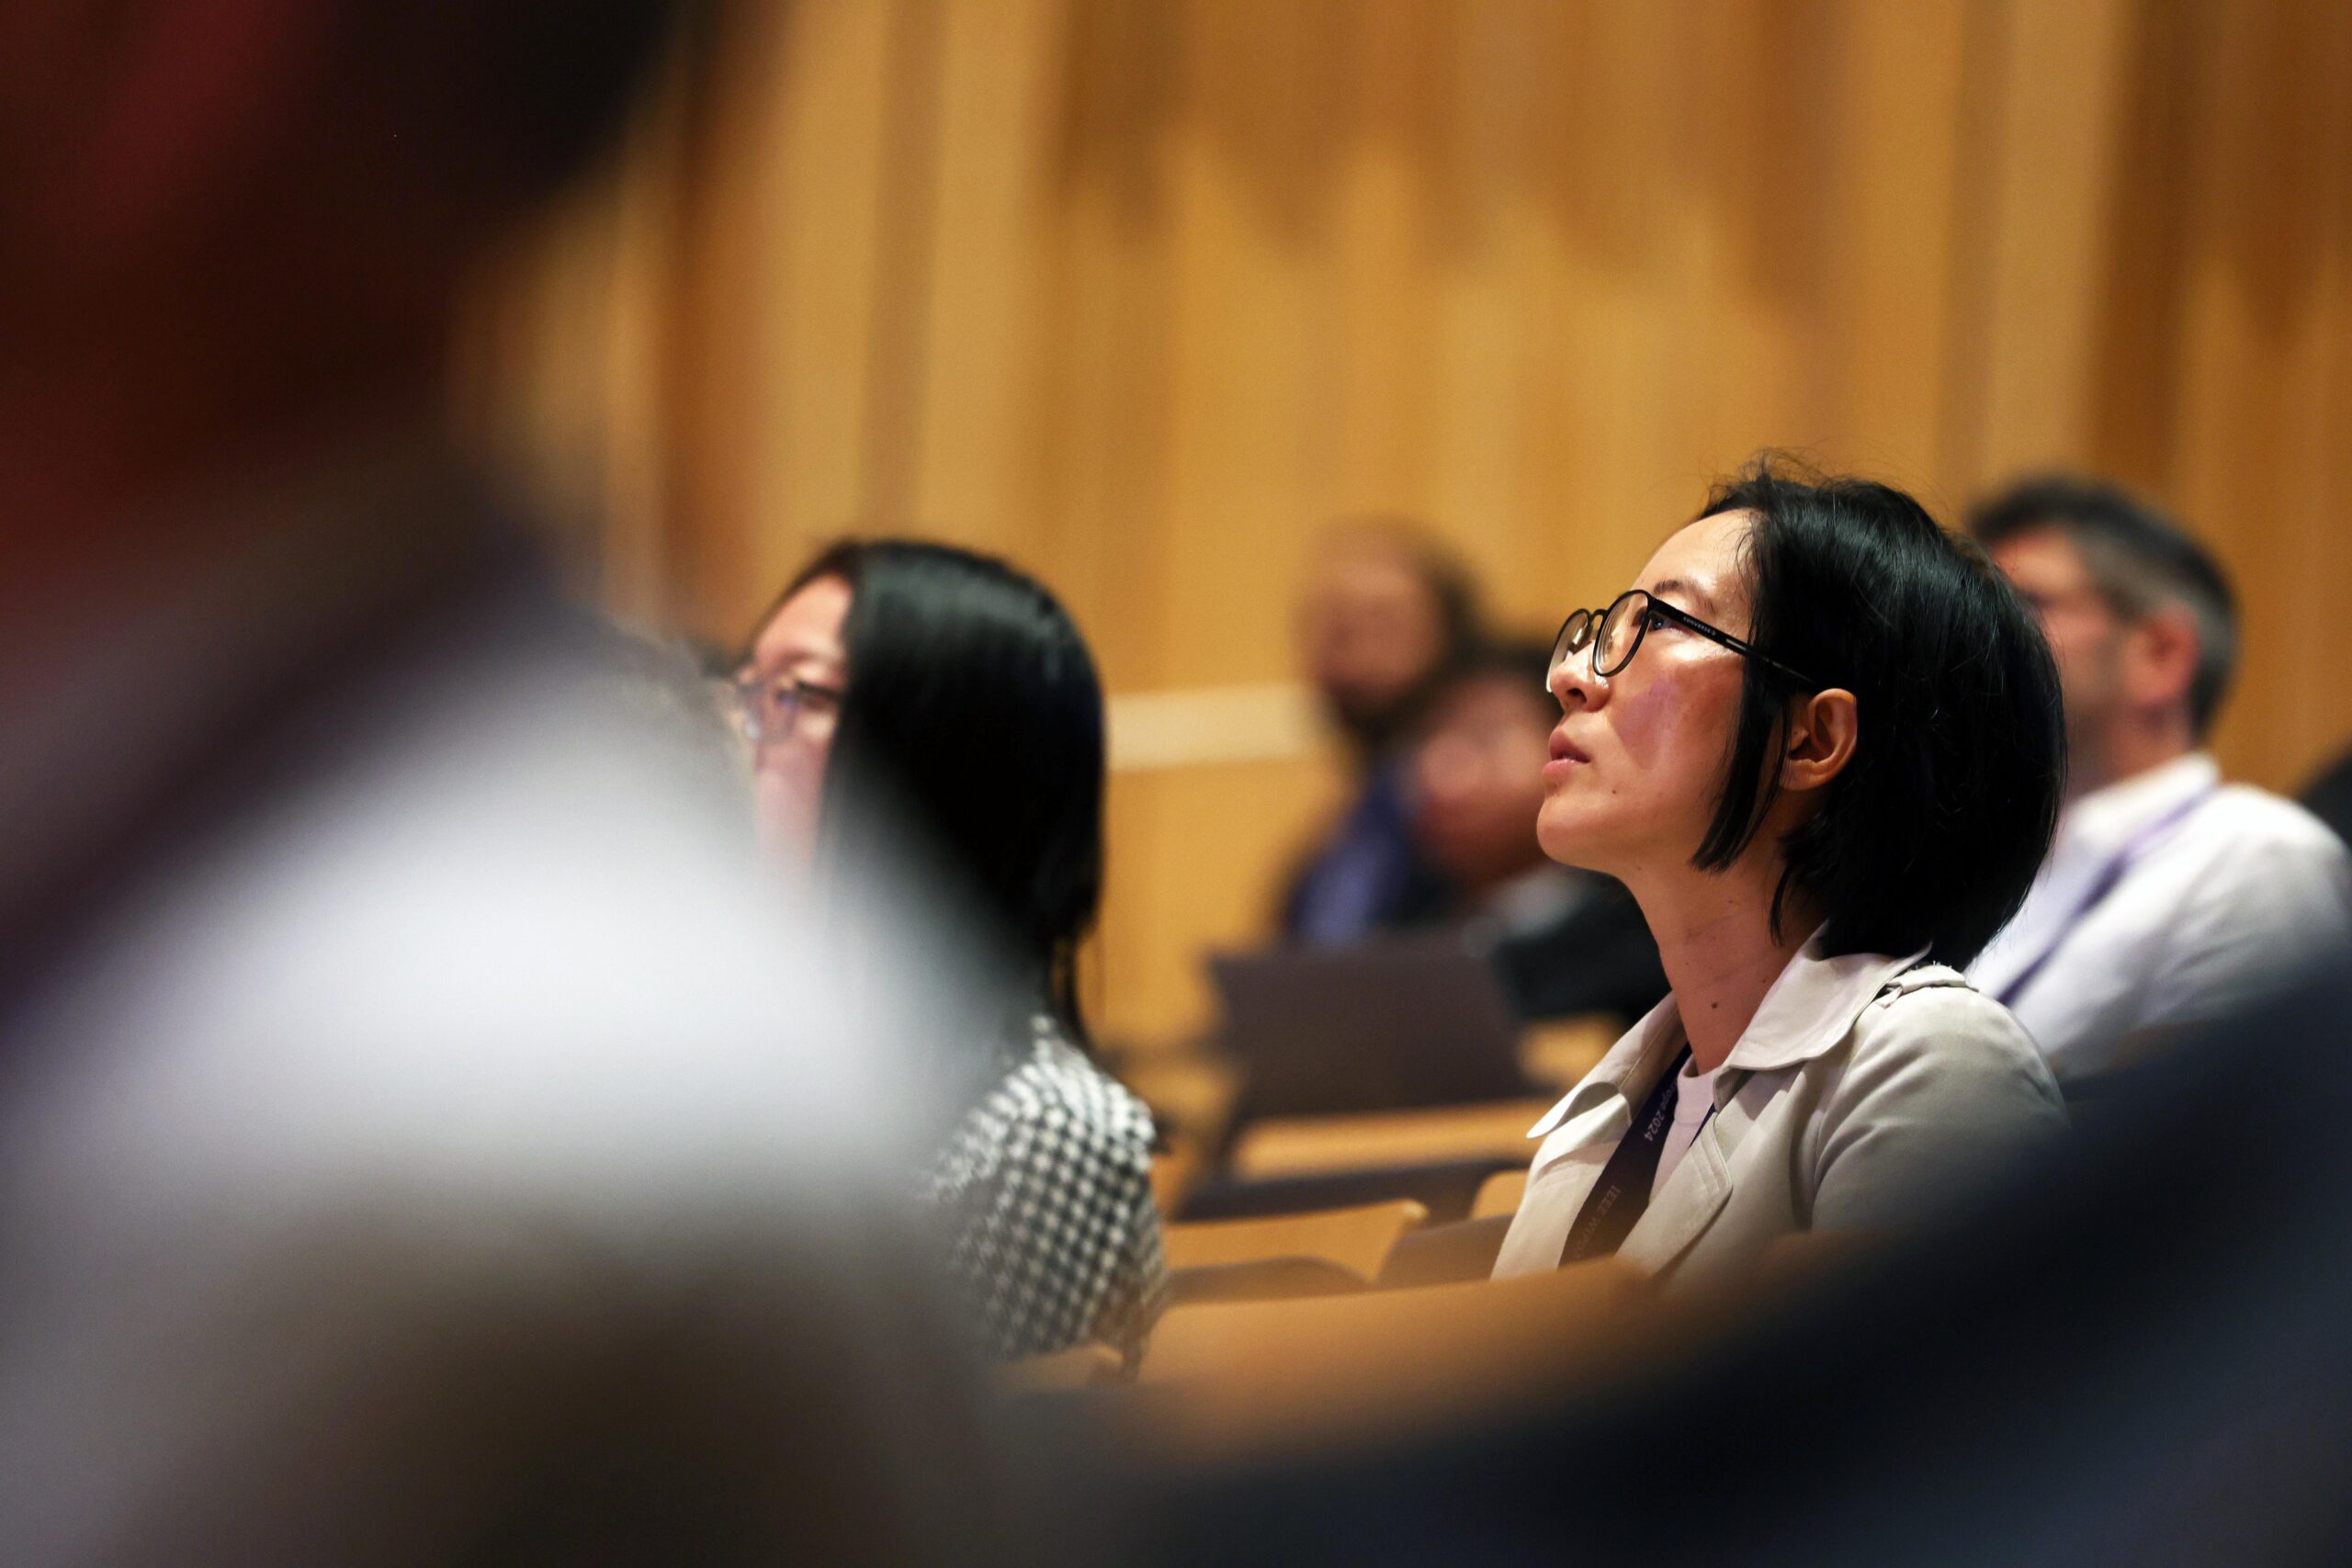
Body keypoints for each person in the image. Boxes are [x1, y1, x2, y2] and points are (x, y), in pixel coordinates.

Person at [0, 6, 1019, 1563]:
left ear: (193, 59)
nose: (767, 726)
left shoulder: (438, 1164)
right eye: (768, 688)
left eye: (812, 700)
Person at [1489, 460, 2068, 1288]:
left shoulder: (1933, 1068)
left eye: (1653, 626)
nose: (1571, 677)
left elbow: (1895, 1416)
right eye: (1599, 633)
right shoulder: (1612, 1110)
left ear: (1811, 740)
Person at [740, 541, 1169, 1366]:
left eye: (791, 693)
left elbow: (860, 1470)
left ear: (936, 757)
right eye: (746, 689)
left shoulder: (1039, 1129)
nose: (743, 731)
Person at [1967, 476, 2352, 1085]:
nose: (1977, 634)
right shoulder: (1983, 860)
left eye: (2023, 603)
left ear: (2162, 655)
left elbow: (2232, 1151)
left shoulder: (2257, 860)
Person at [1404, 638, 1666, 1026]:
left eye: (1484, 737)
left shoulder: (1647, 938)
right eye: (1428, 739)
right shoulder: (1408, 932)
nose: (1439, 771)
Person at [1280, 518, 1484, 945]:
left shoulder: (1481, 820)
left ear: (1450, 633)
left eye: (1382, 618)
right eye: (1334, 624)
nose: (1350, 648)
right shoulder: (1334, 846)